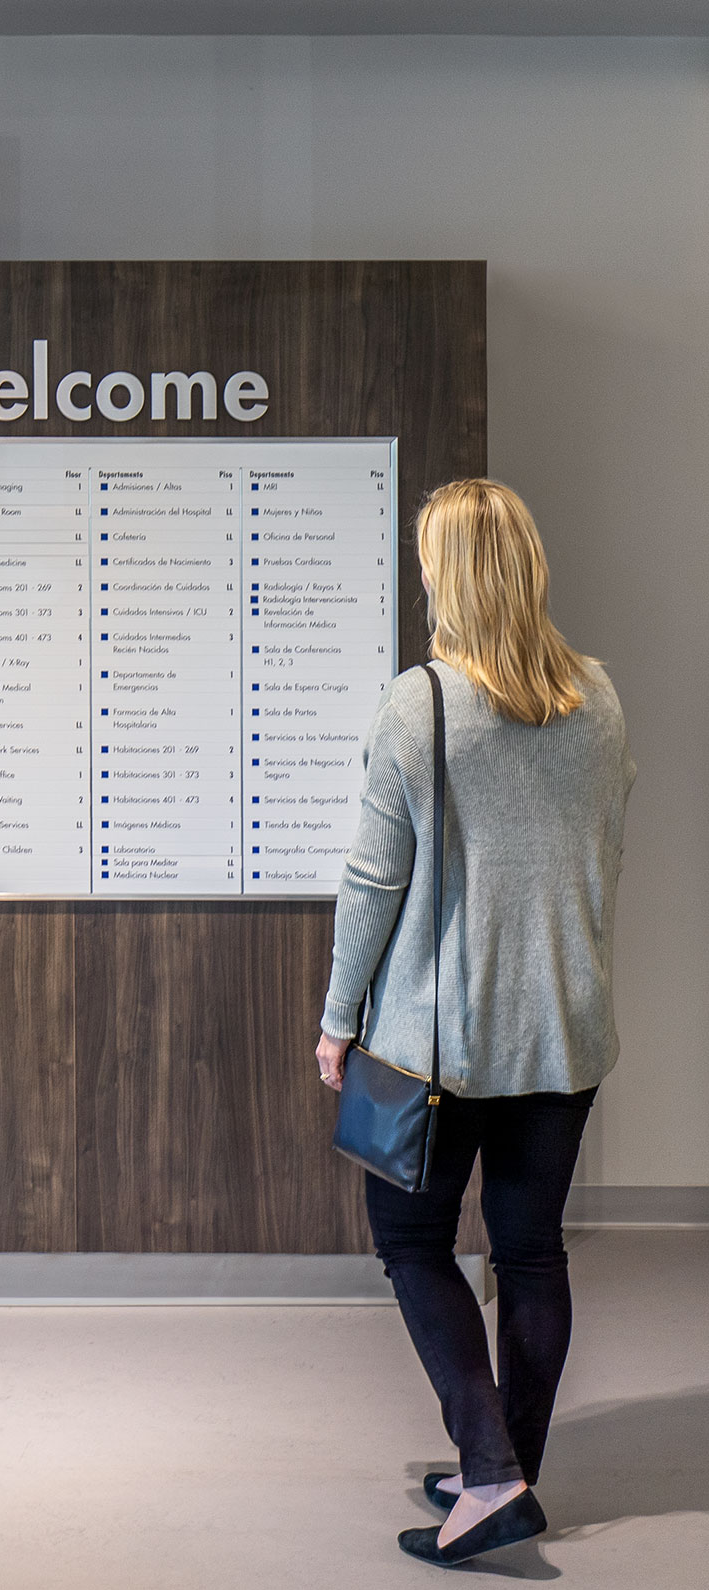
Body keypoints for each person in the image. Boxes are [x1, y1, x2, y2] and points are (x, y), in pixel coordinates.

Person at [315, 479, 633, 1567]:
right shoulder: (597, 698)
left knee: (412, 1239)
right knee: (532, 1254)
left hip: (437, 1042)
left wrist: (336, 1018)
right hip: (564, 1026)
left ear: (446, 576)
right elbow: (597, 861)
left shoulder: (422, 702)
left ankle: (491, 1475)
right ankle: (503, 1471)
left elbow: (371, 883)